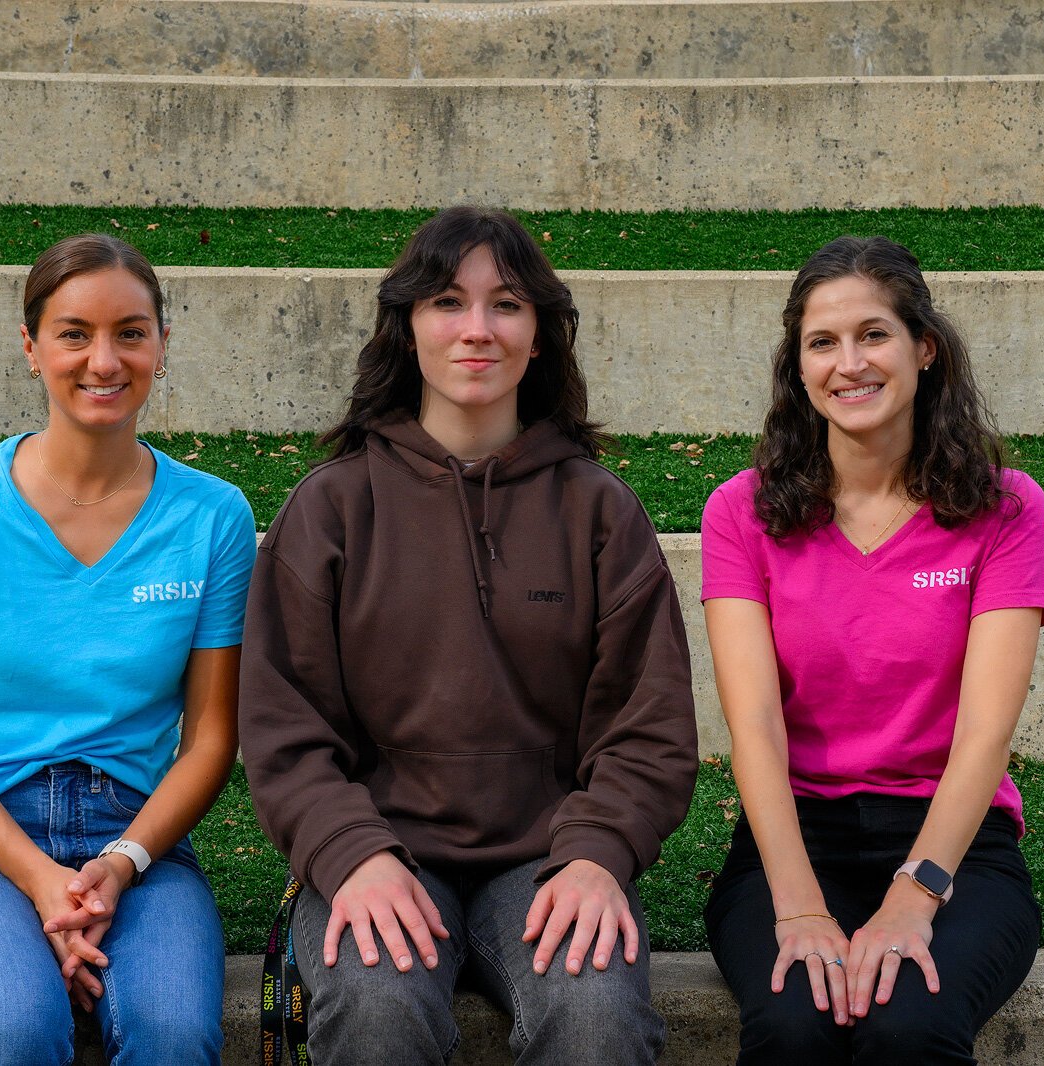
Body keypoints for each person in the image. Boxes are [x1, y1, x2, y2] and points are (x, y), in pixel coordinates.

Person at [239, 205, 698, 1065]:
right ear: (407, 327)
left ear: (540, 336)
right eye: (448, 302)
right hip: (383, 851)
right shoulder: (333, 507)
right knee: (376, 1011)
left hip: (549, 858)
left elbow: (648, 724)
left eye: (508, 304)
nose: (477, 330)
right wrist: (349, 851)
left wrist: (599, 855)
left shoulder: (598, 508)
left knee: (595, 1017)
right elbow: (285, 727)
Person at [0, 233, 255, 1065]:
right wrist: (40, 879)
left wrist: (119, 864)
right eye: (74, 333)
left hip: (137, 839)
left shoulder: (214, 516)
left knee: (175, 1033)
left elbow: (213, 737)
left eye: (130, 332)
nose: (103, 360)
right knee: (17, 1027)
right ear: (31, 346)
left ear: (161, 344)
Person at [701, 235, 1044, 1064]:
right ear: (797, 367)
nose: (848, 363)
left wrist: (916, 894)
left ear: (924, 348)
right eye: (821, 342)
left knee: (909, 1026)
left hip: (956, 847)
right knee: (794, 1024)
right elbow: (752, 721)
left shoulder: (1006, 508)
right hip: (794, 842)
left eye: (873, 334)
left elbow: (983, 734)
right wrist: (797, 907)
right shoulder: (741, 511)